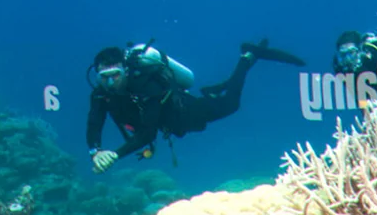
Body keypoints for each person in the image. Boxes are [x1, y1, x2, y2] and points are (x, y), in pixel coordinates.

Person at [86, 37, 304, 173]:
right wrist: (95, 151)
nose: (110, 82)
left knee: (231, 104)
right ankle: (217, 85)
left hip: (187, 112)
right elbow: (95, 121)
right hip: (166, 121)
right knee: (225, 101)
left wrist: (115, 154)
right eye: (103, 77)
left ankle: (247, 57)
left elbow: (148, 134)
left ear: (125, 70)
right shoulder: (100, 94)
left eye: (115, 75)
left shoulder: (146, 86)